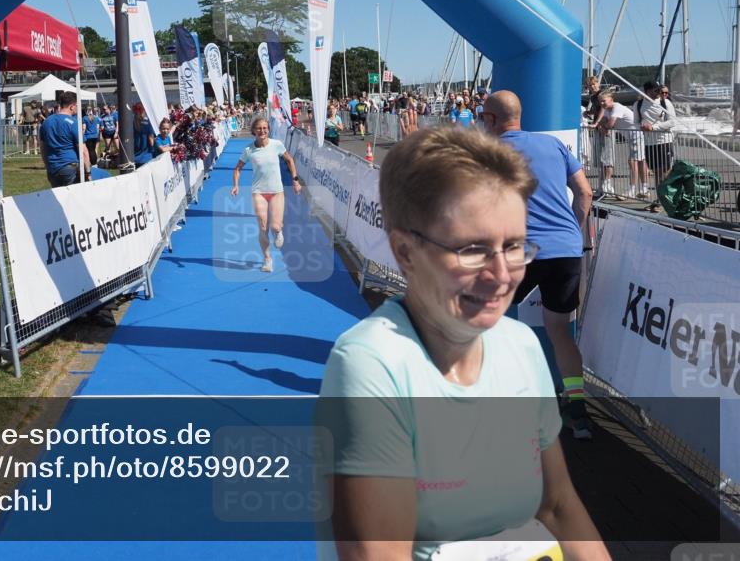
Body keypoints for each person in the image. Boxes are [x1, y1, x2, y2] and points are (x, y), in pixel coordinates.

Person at [320, 125, 608, 561]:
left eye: (513, 246)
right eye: (473, 249)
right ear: (406, 252)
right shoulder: (370, 364)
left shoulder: (522, 347)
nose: (501, 275)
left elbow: (559, 504)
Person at [484, 91, 595, 440]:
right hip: (565, 249)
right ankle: (577, 410)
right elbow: (585, 194)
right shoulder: (552, 145)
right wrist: (570, 232)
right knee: (559, 330)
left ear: (491, 120)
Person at [230, 117, 302, 273]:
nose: (262, 131)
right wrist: (236, 185)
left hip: (277, 191)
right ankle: (267, 260)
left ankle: (278, 231)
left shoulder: (276, 145)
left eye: (265, 128)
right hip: (259, 192)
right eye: (259, 128)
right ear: (254, 131)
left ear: (268, 130)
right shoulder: (249, 150)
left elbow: (289, 160)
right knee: (263, 226)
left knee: (275, 225)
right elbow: (237, 169)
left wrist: (295, 180)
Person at [39, 91, 92, 187]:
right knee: (72, 199)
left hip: (53, 168)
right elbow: (83, 151)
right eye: (77, 106)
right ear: (72, 106)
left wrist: (47, 165)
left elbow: (42, 148)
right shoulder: (73, 123)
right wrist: (88, 172)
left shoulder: (46, 122)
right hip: (69, 166)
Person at [638, 81, 676, 209]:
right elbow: (636, 122)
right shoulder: (638, 104)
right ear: (647, 91)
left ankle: (667, 199)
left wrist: (653, 127)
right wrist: (642, 126)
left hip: (664, 140)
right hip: (649, 143)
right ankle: (660, 199)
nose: (658, 93)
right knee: (657, 172)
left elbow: (672, 122)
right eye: (655, 90)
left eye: (659, 90)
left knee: (666, 171)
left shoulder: (666, 103)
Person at [597, 91, 634, 199]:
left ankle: (635, 190)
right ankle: (609, 186)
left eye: (604, 101)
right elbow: (602, 123)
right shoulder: (607, 110)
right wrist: (603, 125)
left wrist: (604, 126)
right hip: (628, 136)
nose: (602, 103)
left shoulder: (616, 107)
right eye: (600, 101)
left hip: (636, 133)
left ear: (611, 99)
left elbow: (609, 124)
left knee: (634, 162)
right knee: (633, 162)